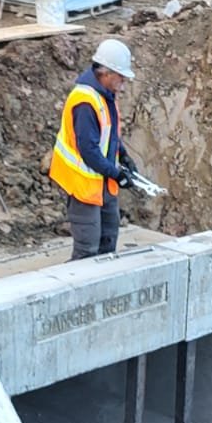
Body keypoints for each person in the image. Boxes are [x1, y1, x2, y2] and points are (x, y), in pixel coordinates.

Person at [48, 38, 139, 261]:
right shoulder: (85, 101)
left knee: (108, 243)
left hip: (103, 184)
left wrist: (123, 156)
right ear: (106, 73)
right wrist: (117, 174)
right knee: (87, 251)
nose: (124, 82)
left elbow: (107, 135)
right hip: (84, 186)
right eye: (121, 76)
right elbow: (88, 150)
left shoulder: (105, 96)